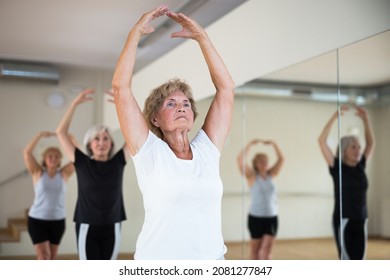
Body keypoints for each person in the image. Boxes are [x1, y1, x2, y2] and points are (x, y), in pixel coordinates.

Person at [111, 5, 235, 260]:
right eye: (171, 103)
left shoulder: (207, 150)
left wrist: (202, 38)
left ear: (192, 116)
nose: (181, 107)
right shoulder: (149, 152)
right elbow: (121, 89)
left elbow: (226, 90)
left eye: (186, 103)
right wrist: (133, 35)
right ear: (154, 118)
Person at [56, 89, 130, 260]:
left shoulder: (118, 161)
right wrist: (74, 104)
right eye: (97, 139)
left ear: (111, 144)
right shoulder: (81, 162)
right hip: (87, 225)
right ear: (89, 143)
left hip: (113, 224)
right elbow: (61, 132)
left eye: (106, 139)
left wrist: (123, 105)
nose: (101, 143)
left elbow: (137, 130)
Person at [318, 105, 375, 260]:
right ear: (343, 150)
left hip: (361, 219)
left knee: (359, 260)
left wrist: (366, 119)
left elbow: (371, 144)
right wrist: (334, 118)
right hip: (344, 220)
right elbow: (321, 141)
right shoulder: (337, 167)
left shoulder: (360, 166)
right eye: (353, 147)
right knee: (347, 261)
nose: (358, 150)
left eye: (358, 147)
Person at [23, 131, 75, 260]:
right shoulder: (37, 173)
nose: (53, 158)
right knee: (44, 256)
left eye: (56, 156)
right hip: (37, 221)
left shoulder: (64, 174)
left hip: (58, 221)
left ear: (59, 161)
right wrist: (39, 135)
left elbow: (78, 157)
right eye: (50, 156)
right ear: (45, 159)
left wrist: (72, 139)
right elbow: (27, 153)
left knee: (52, 258)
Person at [236, 139, 284, 260]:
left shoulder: (271, 175)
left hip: (272, 218)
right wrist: (250, 144)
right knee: (255, 251)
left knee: (267, 251)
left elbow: (282, 159)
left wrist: (274, 144)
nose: (264, 163)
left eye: (266, 161)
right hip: (256, 218)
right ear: (255, 163)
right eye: (261, 161)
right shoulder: (251, 176)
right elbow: (240, 159)